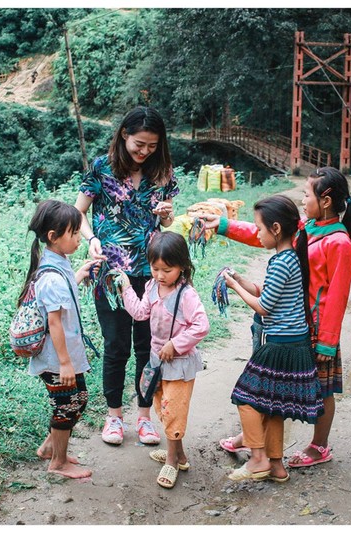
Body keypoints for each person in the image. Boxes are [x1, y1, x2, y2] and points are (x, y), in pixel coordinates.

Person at [203, 167, 351, 468]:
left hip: (318, 332)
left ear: (325, 201)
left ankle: (319, 445)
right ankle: (254, 438)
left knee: (321, 389)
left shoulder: (339, 243)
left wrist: (327, 343)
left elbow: (338, 297)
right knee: (276, 383)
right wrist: (223, 225)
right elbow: (265, 232)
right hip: (293, 324)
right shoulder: (306, 229)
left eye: (306, 194)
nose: (302, 200)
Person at [75, 106, 178, 446]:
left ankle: (145, 417)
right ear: (124, 135)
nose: (144, 151)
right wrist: (91, 239)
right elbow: (78, 213)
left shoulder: (162, 172)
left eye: (152, 145)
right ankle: (114, 416)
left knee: (149, 346)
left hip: (153, 274)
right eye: (139, 144)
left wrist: (166, 213)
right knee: (116, 345)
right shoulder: (102, 168)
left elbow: (166, 222)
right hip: (111, 274)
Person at [221, 195, 323, 483]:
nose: (256, 234)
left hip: (280, 344)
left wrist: (234, 287)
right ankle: (277, 467)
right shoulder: (291, 258)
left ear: (276, 229)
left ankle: (257, 458)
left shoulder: (281, 262)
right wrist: (240, 278)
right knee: (274, 405)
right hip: (295, 343)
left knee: (245, 397)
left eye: (259, 228)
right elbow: (268, 292)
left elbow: (264, 306)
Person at [117, 232, 210, 488]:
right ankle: (180, 455)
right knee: (162, 407)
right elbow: (140, 313)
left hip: (179, 364)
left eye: (167, 270)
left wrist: (176, 344)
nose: (160, 275)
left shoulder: (186, 295)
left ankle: (171, 461)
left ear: (182, 266)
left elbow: (202, 325)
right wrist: (126, 288)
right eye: (155, 268)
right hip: (157, 362)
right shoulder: (151, 287)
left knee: (173, 411)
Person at [19, 200, 98, 479]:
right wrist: (65, 364)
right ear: (53, 237)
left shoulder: (58, 262)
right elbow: (54, 322)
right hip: (57, 358)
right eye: (74, 233)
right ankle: (59, 463)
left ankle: (50, 448)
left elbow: (62, 294)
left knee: (79, 399)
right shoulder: (51, 277)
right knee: (67, 405)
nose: (79, 238)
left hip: (65, 355)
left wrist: (80, 274)